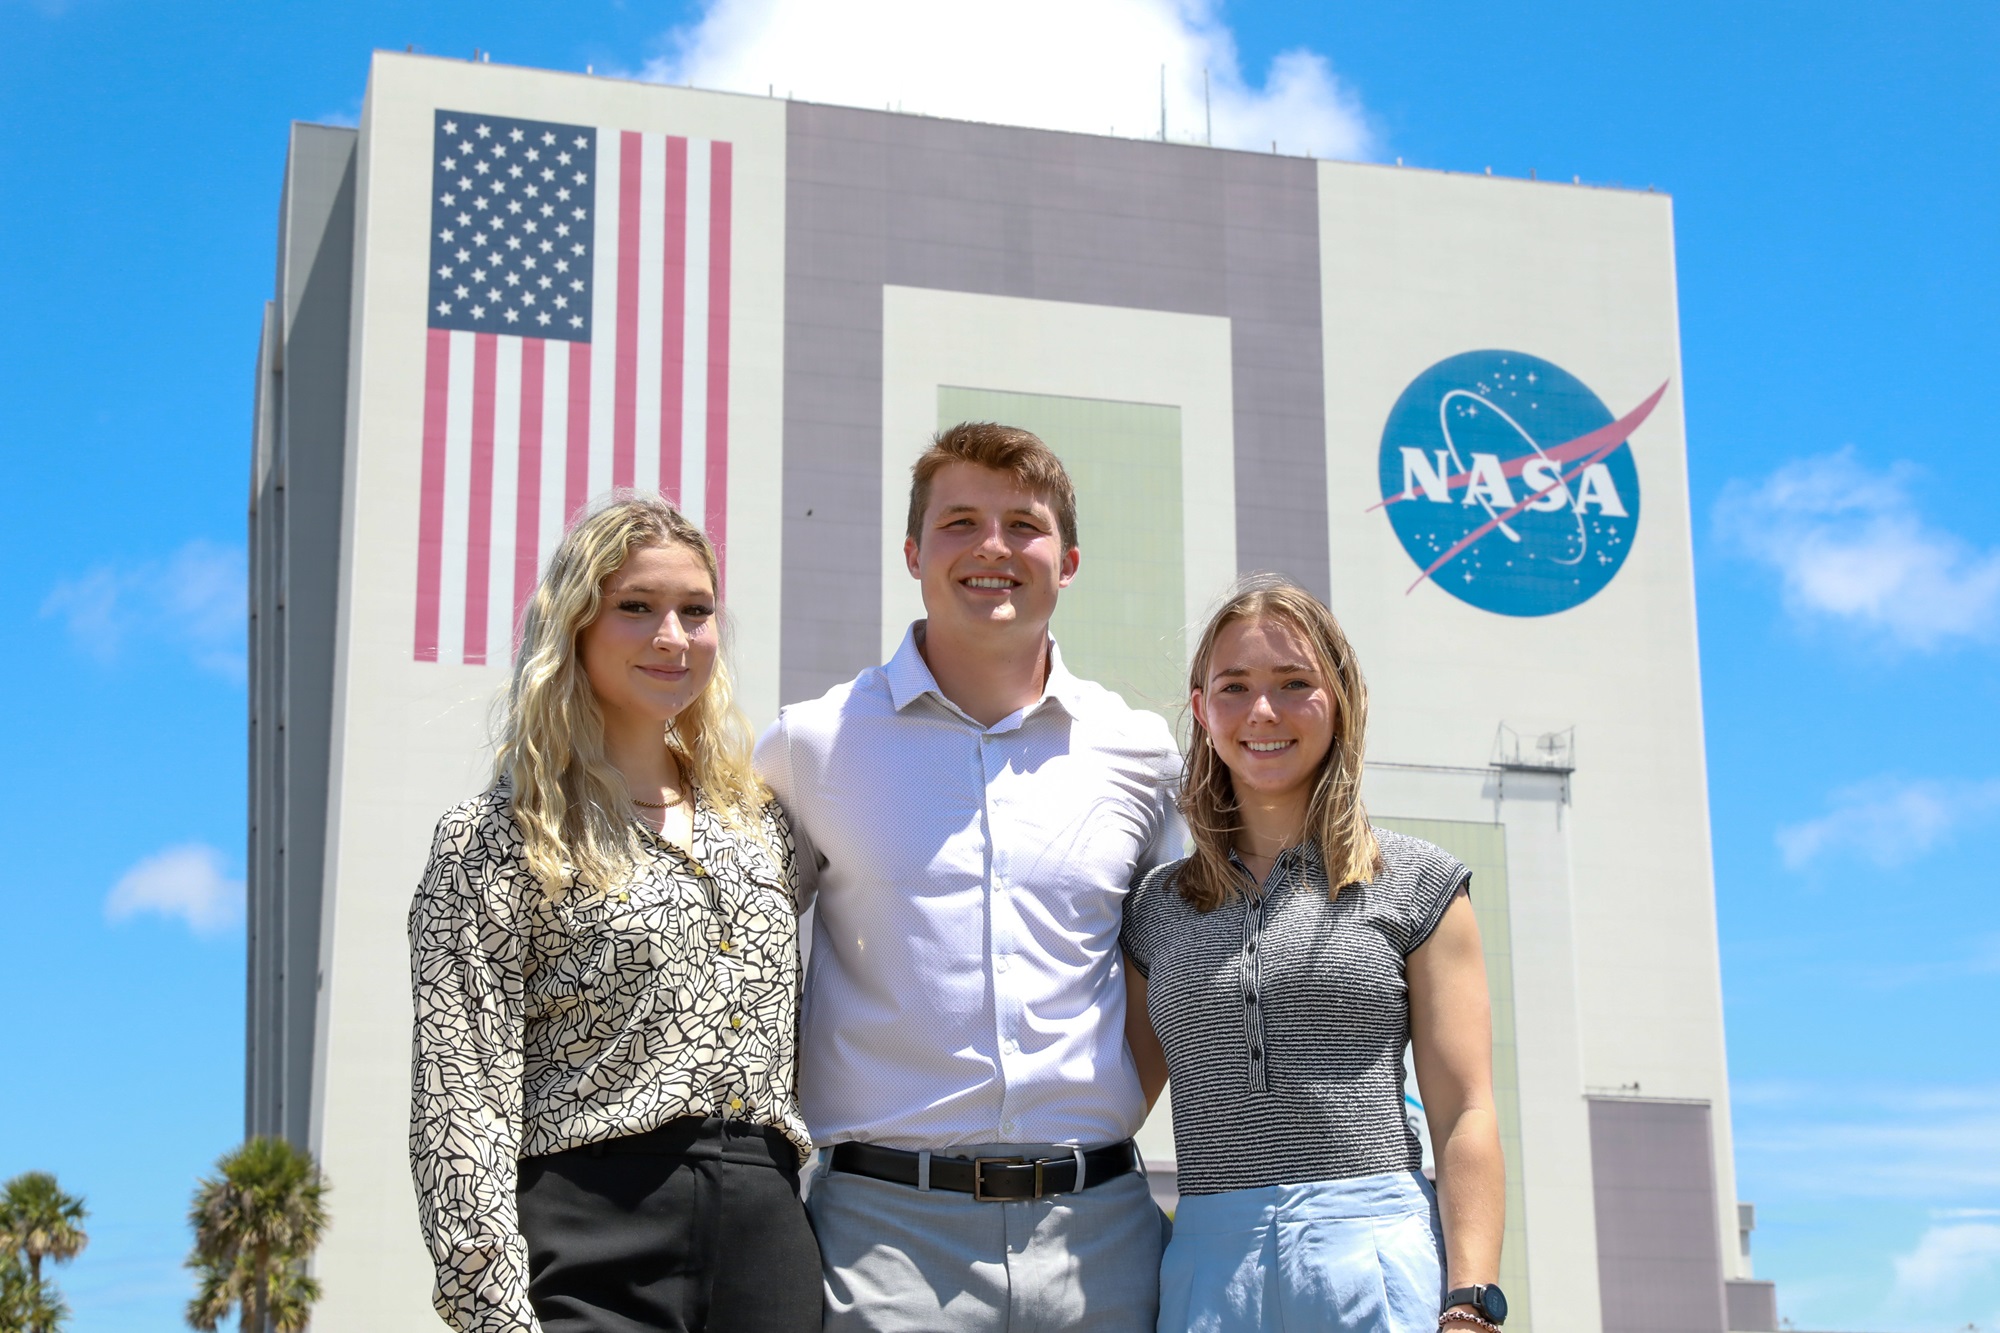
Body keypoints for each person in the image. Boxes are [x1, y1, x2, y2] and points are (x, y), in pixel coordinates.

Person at [756, 423, 1182, 1333]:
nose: (993, 548)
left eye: (1022, 525)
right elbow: (733, 958)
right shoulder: (812, 742)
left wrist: (1089, 1111)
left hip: (1098, 1236)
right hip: (882, 1242)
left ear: (1067, 561)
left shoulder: (1140, 753)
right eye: (959, 522)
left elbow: (1168, 970)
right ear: (913, 553)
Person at [408, 495, 820, 1333]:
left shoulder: (763, 823)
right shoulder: (495, 837)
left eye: (696, 612)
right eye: (637, 607)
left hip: (768, 1233)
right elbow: (460, 1096)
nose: (673, 635)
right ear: (576, 625)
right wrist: (493, 1312)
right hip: (590, 1234)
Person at [1121, 575, 1508, 1333]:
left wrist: (1471, 1299)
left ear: (1340, 700)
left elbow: (1466, 1108)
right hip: (1206, 1265)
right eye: (1234, 686)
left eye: (1294, 683)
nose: (1263, 711)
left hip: (1377, 1254)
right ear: (1201, 708)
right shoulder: (1154, 909)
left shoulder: (1420, 885)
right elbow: (1110, 1103)